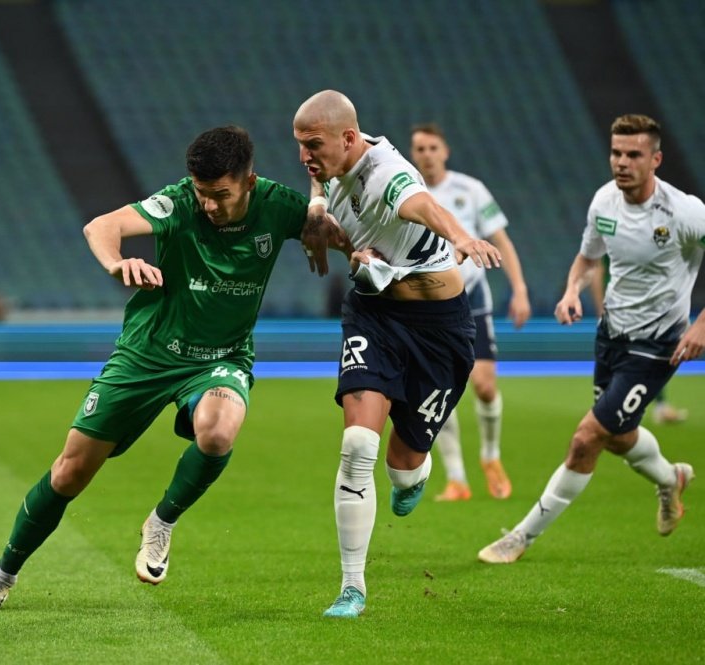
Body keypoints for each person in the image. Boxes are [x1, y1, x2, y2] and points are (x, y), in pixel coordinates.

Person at [0, 126, 338, 612]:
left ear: (249, 182)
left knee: (218, 432)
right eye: (202, 192)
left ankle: (161, 522)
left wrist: (365, 253)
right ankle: (3, 573)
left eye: (220, 194)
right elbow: (100, 227)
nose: (209, 205)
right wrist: (116, 263)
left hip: (221, 357)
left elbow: (346, 237)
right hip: (148, 353)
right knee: (70, 473)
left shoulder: (279, 205)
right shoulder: (178, 202)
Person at [292, 90, 502, 618]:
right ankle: (352, 588)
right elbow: (321, 183)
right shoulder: (333, 161)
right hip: (373, 314)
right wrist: (318, 212)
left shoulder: (387, 173)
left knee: (403, 467)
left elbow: (422, 205)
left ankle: (416, 471)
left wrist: (461, 236)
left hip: (439, 331)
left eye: (312, 145)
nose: (304, 156)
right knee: (357, 444)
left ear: (348, 138)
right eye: (300, 145)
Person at [478, 114, 702, 565]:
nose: (622, 162)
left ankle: (520, 537)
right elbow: (588, 260)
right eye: (616, 153)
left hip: (657, 345)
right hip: (611, 336)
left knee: (587, 438)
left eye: (633, 155)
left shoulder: (684, 212)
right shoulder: (604, 202)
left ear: (656, 160)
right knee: (618, 437)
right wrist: (570, 292)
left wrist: (701, 324)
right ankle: (670, 479)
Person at [409, 123, 532, 502]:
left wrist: (519, 289)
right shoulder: (407, 190)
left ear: (445, 151)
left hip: (473, 297)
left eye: (433, 147)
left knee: (485, 385)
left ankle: (490, 456)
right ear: (413, 154)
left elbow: (501, 240)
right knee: (439, 391)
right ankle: (457, 479)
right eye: (420, 148)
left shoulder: (470, 189)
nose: (427, 154)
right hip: (430, 303)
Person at [591, 258, 689, 425]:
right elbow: (596, 270)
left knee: (646, 357)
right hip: (621, 309)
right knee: (637, 357)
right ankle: (607, 410)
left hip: (636, 307)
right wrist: (601, 309)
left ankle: (657, 406)